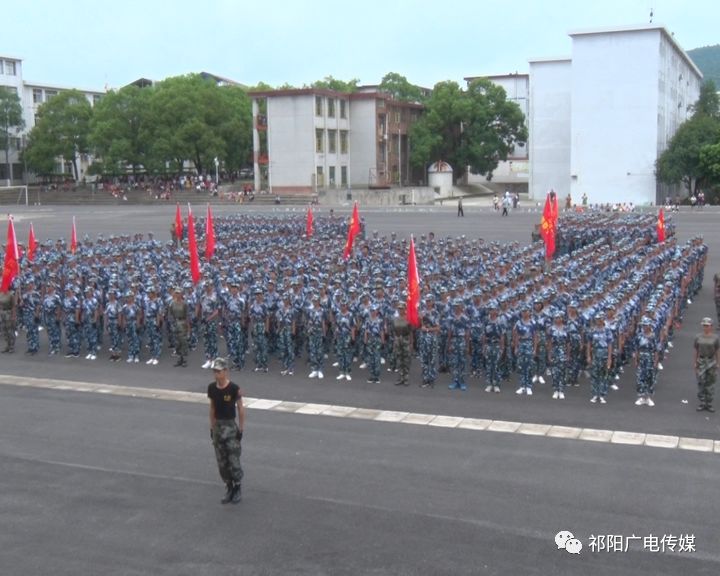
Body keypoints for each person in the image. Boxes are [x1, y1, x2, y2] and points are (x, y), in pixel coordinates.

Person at [208, 357, 245, 504]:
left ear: (225, 371)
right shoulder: (211, 388)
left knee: (233, 460)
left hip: (230, 427)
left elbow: (241, 409)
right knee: (222, 462)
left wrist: (241, 429)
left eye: (219, 371)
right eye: (214, 371)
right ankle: (229, 486)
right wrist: (211, 427)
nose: (216, 374)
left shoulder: (234, 388)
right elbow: (212, 408)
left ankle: (237, 487)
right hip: (218, 427)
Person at [694, 317, 719, 412]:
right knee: (701, 382)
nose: (705, 327)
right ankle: (702, 402)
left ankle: (709, 403)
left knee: (710, 383)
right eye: (704, 325)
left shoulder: (715, 338)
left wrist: (718, 362)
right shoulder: (698, 337)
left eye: (707, 326)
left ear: (711, 326)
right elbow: (696, 350)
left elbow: (717, 350)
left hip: (711, 361)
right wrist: (695, 362)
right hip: (701, 361)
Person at [392, 300, 412, 386]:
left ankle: (406, 378)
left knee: (406, 360)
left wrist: (411, 343)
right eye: (399, 308)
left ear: (405, 309)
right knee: (399, 360)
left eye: (402, 308)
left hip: (406, 339)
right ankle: (400, 378)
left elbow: (411, 332)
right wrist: (394, 342)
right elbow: (394, 331)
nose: (400, 310)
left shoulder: (408, 319)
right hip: (398, 340)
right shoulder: (395, 319)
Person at [0, 286, 17, 353]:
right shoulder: (1, 294)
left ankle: (12, 346)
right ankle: (7, 345)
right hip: (2, 313)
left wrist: (13, 316)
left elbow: (13, 306)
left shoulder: (10, 295)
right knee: (4, 330)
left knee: (10, 330)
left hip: (8, 313)